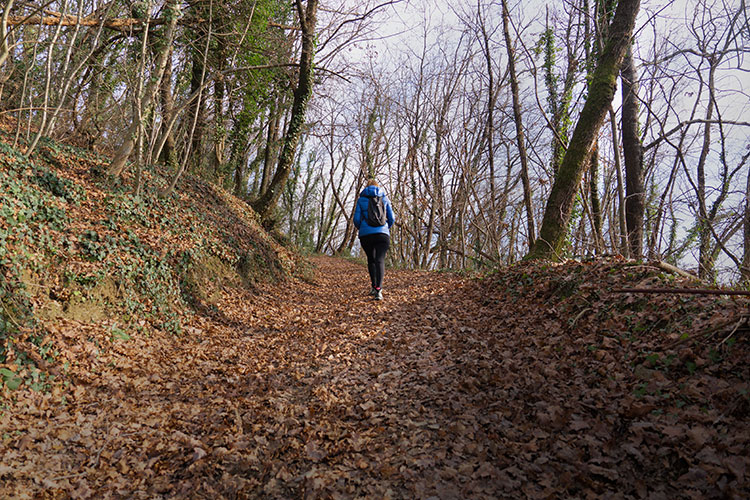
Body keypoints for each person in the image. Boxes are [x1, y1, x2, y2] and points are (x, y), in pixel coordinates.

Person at [353, 178, 395, 300]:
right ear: (378, 186)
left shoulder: (361, 200)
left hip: (366, 235)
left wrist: (363, 228)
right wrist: (386, 227)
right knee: (380, 259)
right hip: (383, 234)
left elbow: (356, 219)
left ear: (366, 187)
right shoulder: (384, 198)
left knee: (371, 259)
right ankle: (379, 290)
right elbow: (392, 218)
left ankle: (373, 286)